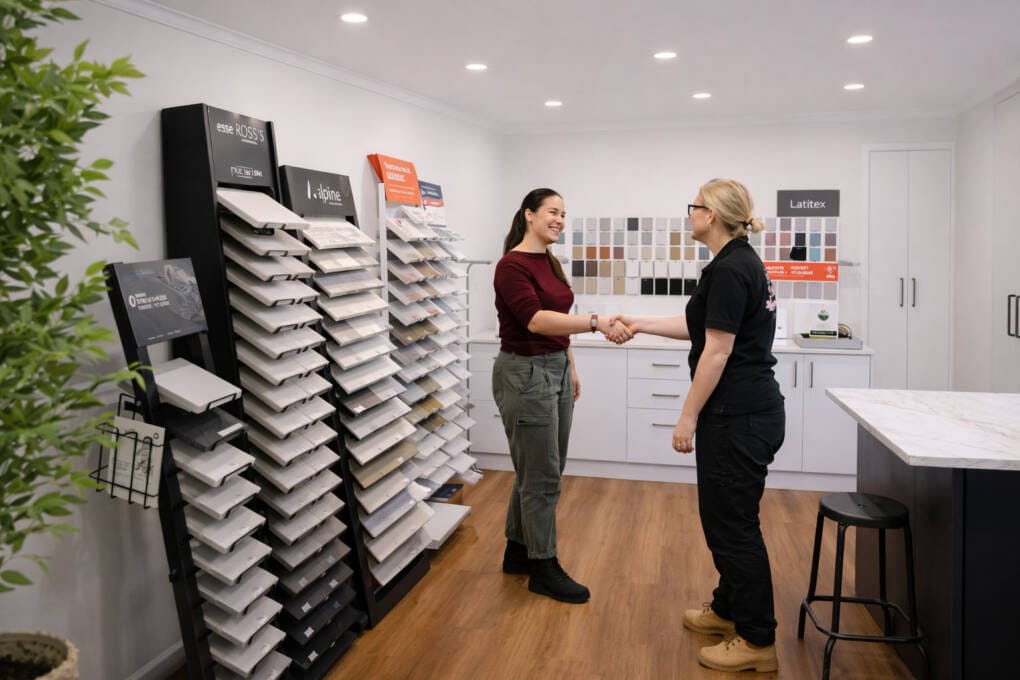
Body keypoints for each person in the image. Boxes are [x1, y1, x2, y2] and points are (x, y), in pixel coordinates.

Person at [611, 178, 784, 672]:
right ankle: (730, 610)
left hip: (738, 417)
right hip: (747, 412)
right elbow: (704, 327)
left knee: (733, 527)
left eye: (694, 207)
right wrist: (641, 323)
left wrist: (687, 415)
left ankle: (757, 641)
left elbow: (719, 349)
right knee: (723, 520)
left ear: (712, 215)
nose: (689, 214)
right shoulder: (736, 262)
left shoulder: (732, 268)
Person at [493, 187, 631, 604]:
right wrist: (597, 321)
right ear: (529, 214)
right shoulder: (511, 265)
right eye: (552, 212)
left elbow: (559, 323)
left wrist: (570, 365)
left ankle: (517, 551)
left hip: (553, 369)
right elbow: (535, 321)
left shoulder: (549, 261)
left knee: (539, 469)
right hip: (525, 374)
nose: (559, 220)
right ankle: (543, 566)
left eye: (564, 214)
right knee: (542, 475)